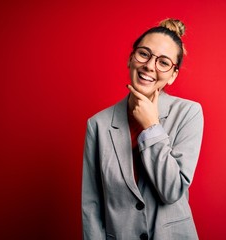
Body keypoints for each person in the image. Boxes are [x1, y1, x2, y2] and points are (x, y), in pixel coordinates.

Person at [82, 18, 204, 240]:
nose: (150, 66)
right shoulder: (97, 124)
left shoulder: (189, 113)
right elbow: (91, 205)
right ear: (130, 58)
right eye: (144, 54)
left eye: (164, 62)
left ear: (173, 75)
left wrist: (152, 126)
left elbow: (171, 191)